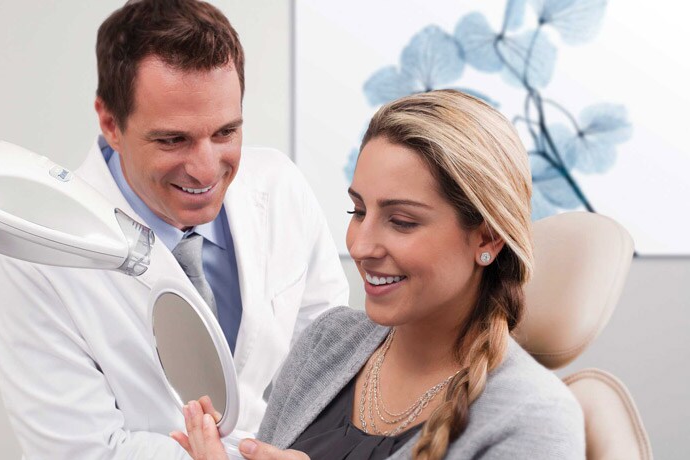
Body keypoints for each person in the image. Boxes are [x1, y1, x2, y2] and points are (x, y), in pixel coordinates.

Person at [0, 1, 348, 458]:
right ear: (110, 123)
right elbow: (82, 450)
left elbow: (328, 372)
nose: (204, 170)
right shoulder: (34, 251)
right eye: (172, 139)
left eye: (225, 133)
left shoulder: (281, 188)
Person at [174, 90, 585, 460]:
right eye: (358, 211)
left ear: (488, 238)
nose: (361, 246)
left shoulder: (534, 418)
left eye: (402, 221)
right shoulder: (326, 342)